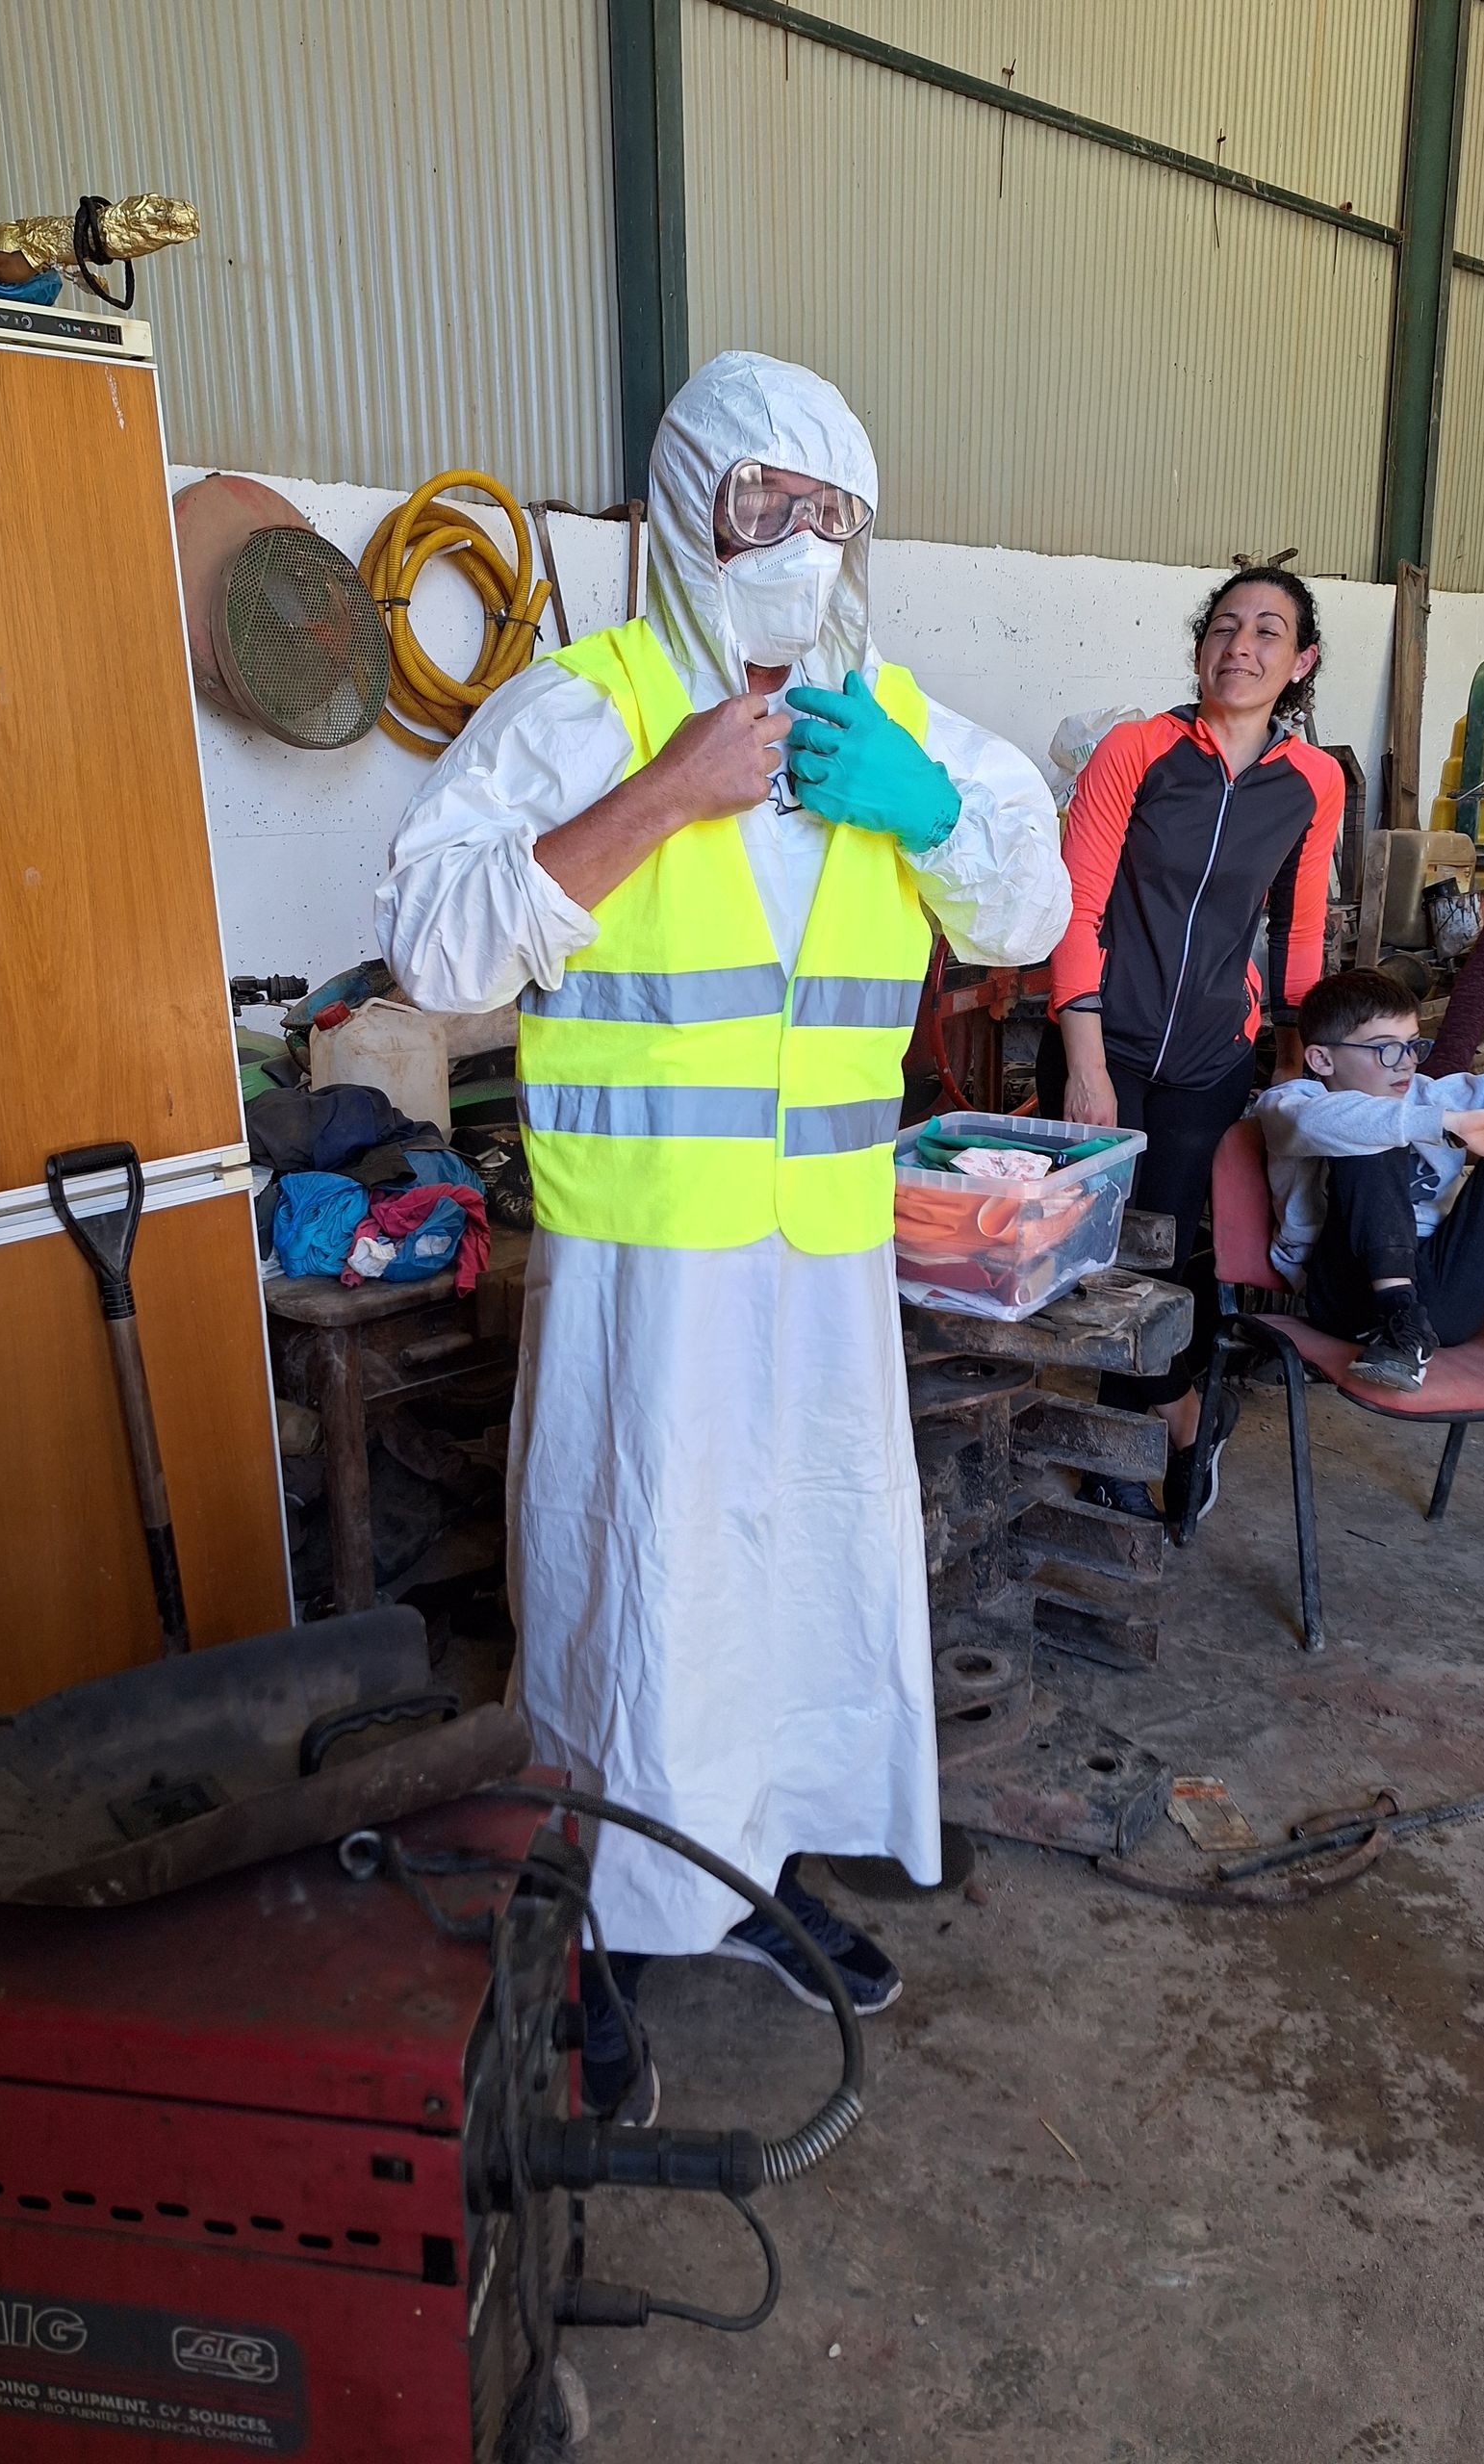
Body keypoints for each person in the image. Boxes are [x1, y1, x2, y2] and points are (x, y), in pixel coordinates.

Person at [377, 350, 1069, 2117]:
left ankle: (750, 1877)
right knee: (631, 1587)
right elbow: (437, 947)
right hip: (646, 1279)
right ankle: (592, 1920)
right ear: (691, 513)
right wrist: (658, 801)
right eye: (766, 507)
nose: (799, 545)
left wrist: (924, 805)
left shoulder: (888, 719)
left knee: (796, 1583)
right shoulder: (586, 705)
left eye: (830, 515)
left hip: (819, 1276)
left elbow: (1029, 891)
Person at [1041, 565, 1346, 1527]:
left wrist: (1300, 1067)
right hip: (1105, 1043)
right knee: (1094, 1262)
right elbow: (1076, 908)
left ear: (1299, 662)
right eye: (1225, 625)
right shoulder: (1134, 752)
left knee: (1166, 1259)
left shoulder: (1312, 781)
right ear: (1201, 643)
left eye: (1267, 631)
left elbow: (1299, 933)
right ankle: (1176, 1420)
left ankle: (1127, 1449)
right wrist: (1086, 1064)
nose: (1241, 645)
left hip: (1214, 1056)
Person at [1254, 967, 1484, 1387]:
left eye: (1411, 1046)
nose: (1404, 1063)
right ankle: (1399, 1321)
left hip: (1444, 1297)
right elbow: (1322, 1122)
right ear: (1321, 1059)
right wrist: (1448, 1123)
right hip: (1349, 1298)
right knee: (1364, 1126)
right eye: (1384, 1049)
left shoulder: (1430, 1093)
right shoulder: (1293, 1102)